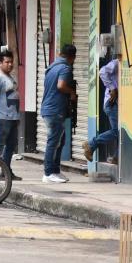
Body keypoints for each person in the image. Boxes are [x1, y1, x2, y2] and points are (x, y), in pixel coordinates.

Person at [41, 44, 77, 184]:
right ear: (72, 57)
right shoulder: (65, 68)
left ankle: (55, 170)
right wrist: (72, 92)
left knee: (60, 140)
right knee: (54, 141)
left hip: (49, 109)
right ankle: (48, 173)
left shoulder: (52, 67)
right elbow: (61, 86)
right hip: (54, 110)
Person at [0, 49, 22, 181]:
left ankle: (6, 171)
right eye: (7, 62)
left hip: (12, 117)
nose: (10, 64)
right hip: (2, 117)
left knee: (11, 146)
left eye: (11, 62)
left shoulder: (9, 77)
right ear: (0, 63)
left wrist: (17, 117)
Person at [83, 54, 120, 164]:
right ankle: (91, 144)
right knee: (116, 132)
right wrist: (112, 88)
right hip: (112, 103)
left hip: (116, 103)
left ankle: (116, 157)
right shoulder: (117, 63)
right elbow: (102, 72)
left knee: (120, 132)